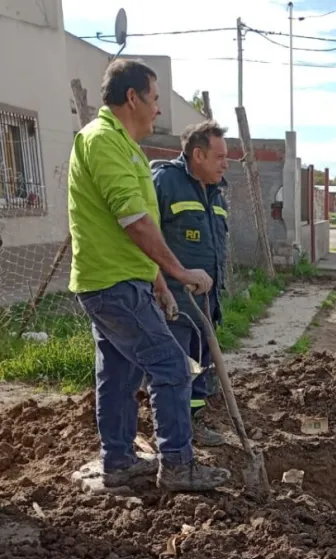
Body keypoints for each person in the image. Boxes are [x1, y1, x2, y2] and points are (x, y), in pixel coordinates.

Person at [67, 59, 230, 492]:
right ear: (133, 97)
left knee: (119, 376)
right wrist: (178, 271)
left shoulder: (127, 148)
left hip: (126, 281)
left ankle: (118, 462)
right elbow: (134, 221)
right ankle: (178, 465)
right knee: (173, 366)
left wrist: (160, 285)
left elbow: (140, 231)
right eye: (155, 98)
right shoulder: (102, 141)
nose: (159, 109)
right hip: (112, 284)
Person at [151, 121, 230, 447]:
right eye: (220, 156)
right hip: (174, 302)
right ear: (198, 154)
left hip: (206, 302)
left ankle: (192, 425)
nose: (226, 163)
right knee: (176, 371)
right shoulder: (165, 182)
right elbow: (143, 236)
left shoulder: (215, 193)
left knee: (200, 370)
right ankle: (172, 438)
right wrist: (159, 286)